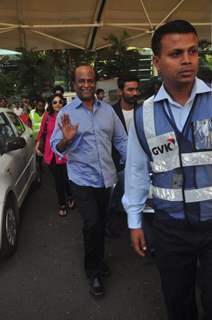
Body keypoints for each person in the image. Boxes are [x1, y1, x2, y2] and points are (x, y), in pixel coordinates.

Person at [123, 20, 212, 320]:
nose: (187, 60)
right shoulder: (143, 115)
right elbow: (135, 170)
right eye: (176, 53)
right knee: (178, 301)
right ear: (157, 62)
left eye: (193, 51)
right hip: (169, 227)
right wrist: (134, 220)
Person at [50, 65, 127, 297]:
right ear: (74, 84)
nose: (86, 85)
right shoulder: (66, 113)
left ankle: (99, 260)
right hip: (81, 178)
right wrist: (66, 140)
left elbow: (121, 140)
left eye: (90, 81)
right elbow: (56, 147)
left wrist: (135, 166)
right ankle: (92, 271)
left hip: (107, 178)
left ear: (96, 83)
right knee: (92, 222)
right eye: (81, 81)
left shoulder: (108, 111)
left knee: (101, 223)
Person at [106, 76, 140, 238]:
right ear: (120, 92)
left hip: (141, 164)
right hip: (118, 164)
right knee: (115, 198)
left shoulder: (143, 111)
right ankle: (112, 225)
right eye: (130, 90)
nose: (135, 93)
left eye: (136, 89)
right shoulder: (110, 113)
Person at [36, 94, 74, 216]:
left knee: (66, 179)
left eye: (60, 102)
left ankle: (69, 196)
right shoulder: (47, 117)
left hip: (64, 153)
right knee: (58, 180)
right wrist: (38, 144)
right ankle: (62, 204)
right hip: (51, 153)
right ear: (51, 104)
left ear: (63, 103)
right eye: (54, 102)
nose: (57, 104)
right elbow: (42, 132)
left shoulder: (67, 116)